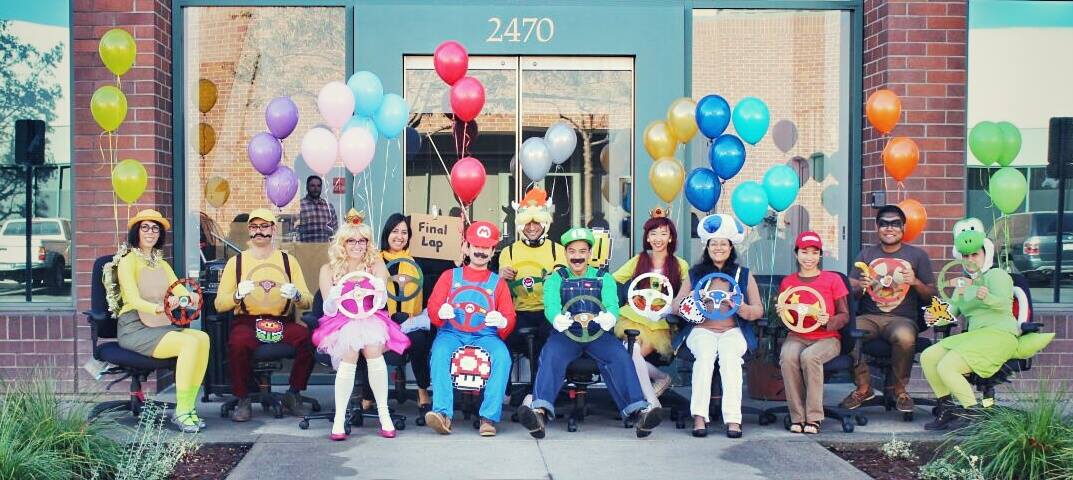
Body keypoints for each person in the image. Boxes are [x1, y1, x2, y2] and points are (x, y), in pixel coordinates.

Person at [515, 227, 663, 438]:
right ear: (566, 254)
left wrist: (608, 317)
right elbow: (551, 306)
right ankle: (538, 413)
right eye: (572, 251)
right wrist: (558, 319)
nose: (577, 256)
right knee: (550, 355)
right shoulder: (555, 279)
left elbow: (612, 305)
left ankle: (639, 413)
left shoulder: (605, 278)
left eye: (582, 251)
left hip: (598, 334)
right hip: (566, 334)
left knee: (619, 356)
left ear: (590, 254)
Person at [921, 218, 1049, 431]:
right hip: (975, 336)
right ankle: (947, 409)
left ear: (985, 254)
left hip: (999, 335)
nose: (971, 259)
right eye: (966, 256)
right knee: (928, 357)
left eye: (975, 254)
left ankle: (973, 415)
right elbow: (952, 311)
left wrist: (986, 296)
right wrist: (935, 317)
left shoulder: (997, 275)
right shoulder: (964, 285)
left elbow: (1002, 303)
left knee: (947, 365)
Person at [313, 210, 410, 440]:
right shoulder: (328, 270)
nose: (357, 245)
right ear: (342, 243)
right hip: (340, 321)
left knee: (373, 348)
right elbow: (328, 309)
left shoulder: (375, 264)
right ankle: (339, 419)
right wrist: (336, 294)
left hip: (371, 317)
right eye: (352, 240)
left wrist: (376, 288)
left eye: (362, 240)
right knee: (349, 351)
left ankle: (384, 414)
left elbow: (383, 301)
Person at [215, 208, 315, 422]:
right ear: (248, 231)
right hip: (248, 321)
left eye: (263, 226)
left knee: (307, 339)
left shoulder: (289, 261)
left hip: (280, 321)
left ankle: (293, 393)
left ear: (273, 229)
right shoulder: (237, 263)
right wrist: (236, 295)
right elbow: (219, 304)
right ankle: (242, 399)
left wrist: (296, 295)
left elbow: (308, 300)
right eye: (254, 227)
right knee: (238, 343)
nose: (258, 231)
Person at [114, 209, 210, 433]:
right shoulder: (127, 261)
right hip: (134, 328)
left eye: (155, 228)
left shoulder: (162, 264)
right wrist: (159, 307)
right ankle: (182, 412)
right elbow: (132, 299)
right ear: (137, 231)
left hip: (158, 325)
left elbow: (179, 289)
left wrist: (189, 298)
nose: (150, 232)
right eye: (145, 227)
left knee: (202, 338)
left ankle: (187, 408)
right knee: (189, 343)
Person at [424, 221, 517, 436]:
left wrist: (502, 321)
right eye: (476, 245)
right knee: (439, 353)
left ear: (493, 251)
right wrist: (440, 312)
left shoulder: (498, 283)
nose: (480, 251)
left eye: (486, 247)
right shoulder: (449, 276)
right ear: (466, 247)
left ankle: (489, 417)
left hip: (486, 336)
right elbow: (433, 306)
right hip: (452, 333)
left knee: (502, 357)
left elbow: (509, 316)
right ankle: (442, 414)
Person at [842, 205, 937, 413]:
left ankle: (899, 390)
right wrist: (860, 286)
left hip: (902, 319)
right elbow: (849, 293)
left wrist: (915, 282)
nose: (889, 228)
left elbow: (933, 295)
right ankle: (864, 387)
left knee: (904, 337)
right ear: (877, 227)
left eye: (895, 223)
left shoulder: (917, 255)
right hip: (870, 316)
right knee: (848, 332)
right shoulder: (866, 254)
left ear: (903, 228)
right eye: (884, 223)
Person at [685, 213, 764, 438]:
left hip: (733, 330)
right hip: (701, 330)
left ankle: (733, 420)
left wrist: (740, 307)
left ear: (731, 247)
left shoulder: (743, 275)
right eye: (714, 244)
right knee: (705, 357)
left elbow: (758, 309)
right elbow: (676, 305)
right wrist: (693, 298)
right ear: (707, 247)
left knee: (730, 358)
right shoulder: (695, 274)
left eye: (723, 243)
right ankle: (699, 417)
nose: (718, 247)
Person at [611, 207, 692, 408]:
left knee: (630, 355)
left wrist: (671, 308)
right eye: (653, 234)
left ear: (671, 238)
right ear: (647, 238)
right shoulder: (639, 260)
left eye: (663, 234)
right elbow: (611, 280)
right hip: (636, 314)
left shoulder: (680, 265)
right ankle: (656, 389)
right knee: (630, 352)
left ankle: (646, 398)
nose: (658, 238)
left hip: (661, 319)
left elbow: (688, 293)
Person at [777, 232, 849, 435]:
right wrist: (782, 313)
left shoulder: (833, 280)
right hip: (797, 335)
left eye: (814, 252)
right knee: (788, 356)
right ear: (796, 254)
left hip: (828, 338)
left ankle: (814, 417)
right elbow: (788, 317)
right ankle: (797, 417)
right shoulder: (788, 282)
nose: (809, 257)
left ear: (820, 255)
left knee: (809, 358)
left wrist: (829, 321)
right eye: (804, 252)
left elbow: (844, 315)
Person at [497, 188, 566, 388]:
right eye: (527, 222)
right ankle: (505, 390)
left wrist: (555, 277)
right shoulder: (508, 251)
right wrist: (503, 276)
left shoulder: (557, 250)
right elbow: (499, 286)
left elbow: (562, 277)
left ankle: (543, 391)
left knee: (552, 338)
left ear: (544, 223)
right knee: (502, 336)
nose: (532, 227)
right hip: (518, 311)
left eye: (536, 222)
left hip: (548, 310)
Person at [367, 213, 433, 415]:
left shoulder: (416, 261)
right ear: (387, 233)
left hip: (409, 321)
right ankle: (367, 396)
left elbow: (446, 267)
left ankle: (422, 390)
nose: (399, 236)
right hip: (381, 319)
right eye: (395, 231)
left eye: (404, 232)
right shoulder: (372, 261)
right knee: (366, 340)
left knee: (420, 340)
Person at [298, 175, 338, 243]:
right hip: (305, 250)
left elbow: (335, 230)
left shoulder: (329, 206)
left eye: (318, 186)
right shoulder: (300, 206)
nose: (316, 188)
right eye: (312, 186)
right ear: (307, 187)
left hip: (326, 250)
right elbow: (295, 231)